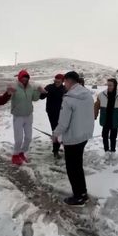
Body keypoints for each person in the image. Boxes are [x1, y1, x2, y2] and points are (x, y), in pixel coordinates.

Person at [52, 71, 94, 206]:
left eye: (65, 82)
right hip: (84, 135)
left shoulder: (69, 98)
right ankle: (82, 192)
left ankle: (79, 196)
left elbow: (63, 123)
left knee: (72, 168)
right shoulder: (87, 94)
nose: (64, 85)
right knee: (78, 165)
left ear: (69, 81)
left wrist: (55, 134)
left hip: (73, 138)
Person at [10, 70, 47, 165]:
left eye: (26, 78)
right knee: (18, 138)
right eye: (23, 77)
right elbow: (8, 96)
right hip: (18, 116)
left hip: (28, 115)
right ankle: (15, 155)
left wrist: (38, 91)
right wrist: (9, 92)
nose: (25, 79)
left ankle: (22, 153)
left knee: (28, 138)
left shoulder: (30, 87)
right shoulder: (15, 87)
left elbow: (34, 98)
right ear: (19, 78)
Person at [94, 78, 118, 158]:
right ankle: (106, 151)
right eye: (108, 85)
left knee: (113, 136)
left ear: (115, 85)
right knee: (104, 135)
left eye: (111, 85)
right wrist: (95, 115)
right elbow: (96, 106)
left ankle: (113, 151)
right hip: (105, 118)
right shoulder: (102, 94)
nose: (109, 87)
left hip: (115, 119)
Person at [38, 74, 66, 159]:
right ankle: (55, 151)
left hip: (63, 113)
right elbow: (41, 97)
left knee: (64, 130)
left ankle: (62, 146)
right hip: (52, 113)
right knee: (55, 130)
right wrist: (42, 92)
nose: (56, 83)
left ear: (62, 81)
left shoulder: (65, 89)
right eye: (55, 81)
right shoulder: (49, 87)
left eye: (59, 81)